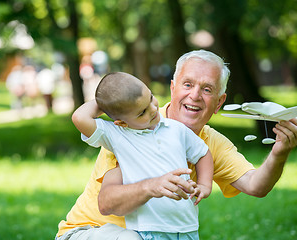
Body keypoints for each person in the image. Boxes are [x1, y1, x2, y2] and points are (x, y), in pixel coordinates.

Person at [56, 50, 297, 240]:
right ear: (173, 88)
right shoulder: (129, 131)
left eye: (207, 89)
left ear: (219, 102)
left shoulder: (209, 142)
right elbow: (107, 203)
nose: (194, 95)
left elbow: (256, 185)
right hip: (88, 232)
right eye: (188, 84)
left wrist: (279, 152)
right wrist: (112, 100)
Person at [71, 72, 213, 239]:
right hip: (149, 229)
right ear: (122, 122)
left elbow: (202, 153)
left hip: (186, 224)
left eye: (151, 98)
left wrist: (204, 185)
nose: (153, 109)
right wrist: (109, 101)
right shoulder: (118, 135)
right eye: (142, 112)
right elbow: (79, 117)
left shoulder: (176, 129)